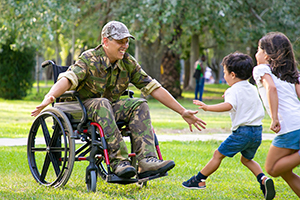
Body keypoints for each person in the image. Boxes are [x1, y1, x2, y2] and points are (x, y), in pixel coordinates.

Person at [31, 21, 206, 180]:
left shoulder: (128, 62)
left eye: (127, 41)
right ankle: (118, 162)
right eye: (120, 41)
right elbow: (67, 79)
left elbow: (154, 88)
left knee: (139, 103)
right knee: (102, 103)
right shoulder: (90, 58)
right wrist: (50, 96)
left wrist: (183, 111)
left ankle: (146, 161)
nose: (125, 45)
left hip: (106, 107)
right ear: (105, 41)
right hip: (79, 106)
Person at [182, 52, 275, 200]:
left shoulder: (233, 90)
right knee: (246, 160)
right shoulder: (252, 88)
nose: (224, 76)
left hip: (242, 133)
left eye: (224, 73)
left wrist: (207, 107)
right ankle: (263, 179)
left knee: (217, 155)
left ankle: (199, 180)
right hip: (257, 132)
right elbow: (242, 100)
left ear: (232, 74)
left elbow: (229, 105)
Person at [253, 32, 300, 197]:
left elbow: (271, 88)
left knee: (272, 168)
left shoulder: (261, 69)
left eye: (258, 50)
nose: (255, 54)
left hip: (288, 127)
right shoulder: (291, 74)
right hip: (298, 124)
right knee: (285, 171)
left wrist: (274, 118)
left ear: (266, 55)